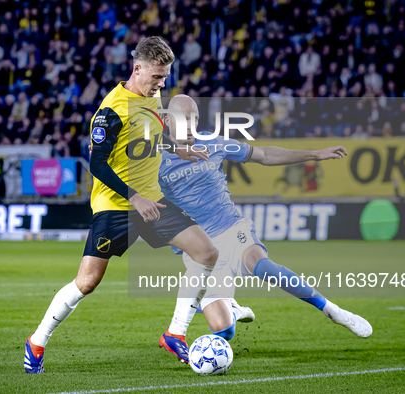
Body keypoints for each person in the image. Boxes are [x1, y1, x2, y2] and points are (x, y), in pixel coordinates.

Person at [24, 37, 218, 374]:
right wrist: (134, 197)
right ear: (137, 68)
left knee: (206, 253)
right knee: (87, 282)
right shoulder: (112, 110)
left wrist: (179, 149)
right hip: (117, 205)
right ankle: (37, 340)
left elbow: (153, 138)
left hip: (153, 201)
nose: (162, 83)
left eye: (165, 77)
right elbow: (97, 164)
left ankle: (175, 333)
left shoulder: (152, 96)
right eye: (157, 76)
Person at [158, 95, 372, 357]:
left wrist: (315, 154)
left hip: (229, 228)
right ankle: (233, 309)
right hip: (198, 249)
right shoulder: (154, 160)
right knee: (224, 331)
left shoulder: (213, 143)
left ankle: (332, 309)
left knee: (262, 265)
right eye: (182, 119)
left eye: (194, 118)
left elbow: (265, 154)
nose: (189, 125)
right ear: (167, 121)